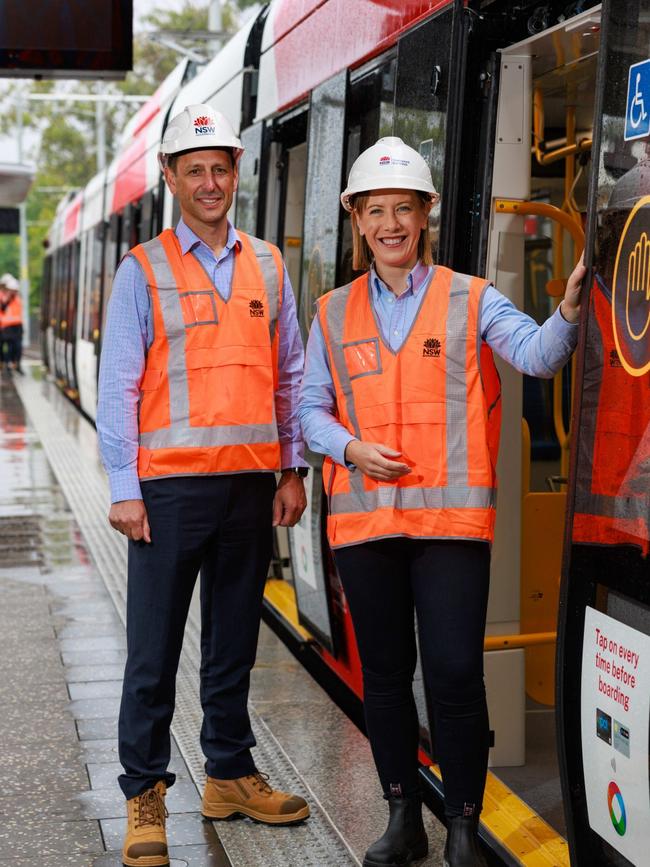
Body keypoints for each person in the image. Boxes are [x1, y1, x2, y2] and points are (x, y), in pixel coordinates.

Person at [298, 136, 586, 867]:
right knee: (386, 675)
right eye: (375, 211)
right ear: (357, 220)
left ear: (425, 215)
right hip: (366, 524)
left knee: (455, 669)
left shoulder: (471, 296)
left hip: (451, 526)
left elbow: (538, 354)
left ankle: (461, 821)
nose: (390, 224)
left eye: (404, 209)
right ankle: (404, 816)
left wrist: (570, 309)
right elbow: (309, 411)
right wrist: (349, 447)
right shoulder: (330, 313)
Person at [97, 104, 310, 867]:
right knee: (152, 650)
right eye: (196, 170)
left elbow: (289, 375)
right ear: (172, 179)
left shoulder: (270, 265)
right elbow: (118, 382)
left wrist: (290, 467)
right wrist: (123, 488)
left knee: (233, 644)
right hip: (167, 493)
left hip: (251, 487)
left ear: (236, 172)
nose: (211, 181)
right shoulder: (141, 270)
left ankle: (227, 770)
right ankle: (145, 793)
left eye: (221, 167)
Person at [0, 274, 23, 374]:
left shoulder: (17, 298)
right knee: (7, 347)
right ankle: (6, 364)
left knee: (17, 347)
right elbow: (3, 308)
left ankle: (15, 364)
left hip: (17, 326)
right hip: (5, 326)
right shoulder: (3, 297)